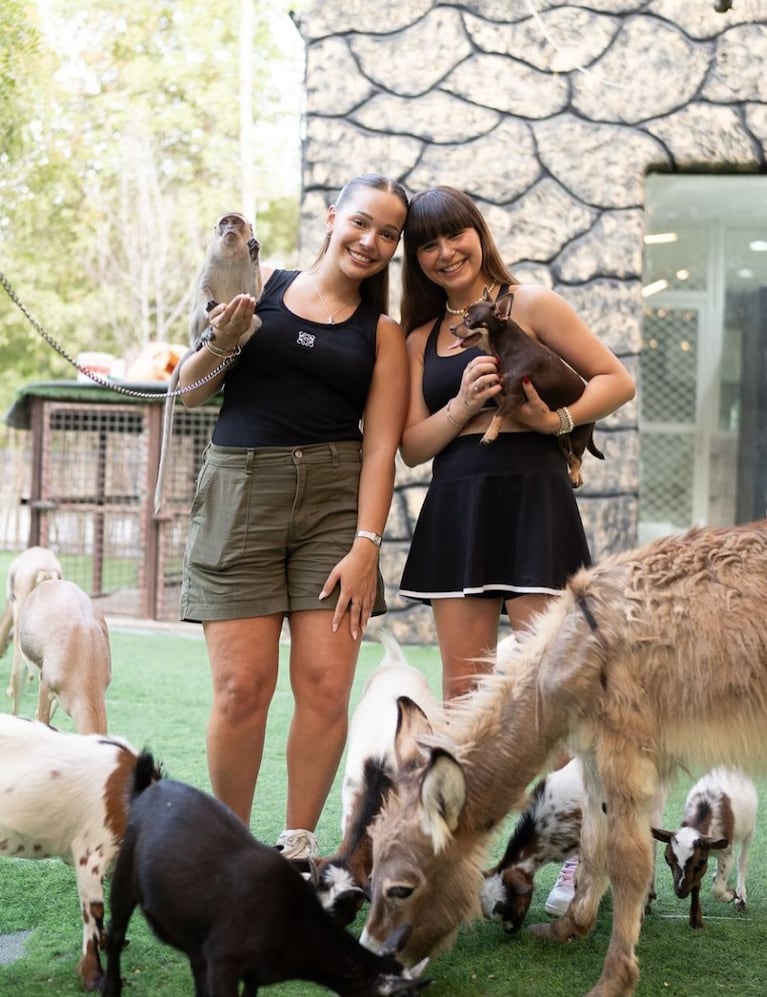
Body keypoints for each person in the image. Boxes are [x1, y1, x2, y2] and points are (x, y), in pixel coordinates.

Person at [397, 185, 635, 912]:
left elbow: (615, 380)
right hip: (457, 505)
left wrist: (553, 417)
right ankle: (466, 861)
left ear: (478, 232)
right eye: (428, 244)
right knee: (466, 696)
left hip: (534, 500)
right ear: (417, 258)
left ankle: (575, 856)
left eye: (454, 235)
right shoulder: (416, 340)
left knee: (553, 690)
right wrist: (463, 405)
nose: (445, 253)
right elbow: (412, 446)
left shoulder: (530, 304)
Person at [178, 174, 410, 860]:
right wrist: (225, 340)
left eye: (389, 233)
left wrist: (367, 545)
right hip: (240, 494)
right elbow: (187, 394)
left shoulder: (383, 332)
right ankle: (226, 846)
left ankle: (298, 845)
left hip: (335, 507)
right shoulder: (260, 283)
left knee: (324, 683)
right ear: (334, 216)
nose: (371, 241)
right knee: (240, 686)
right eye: (362, 222)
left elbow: (382, 448)